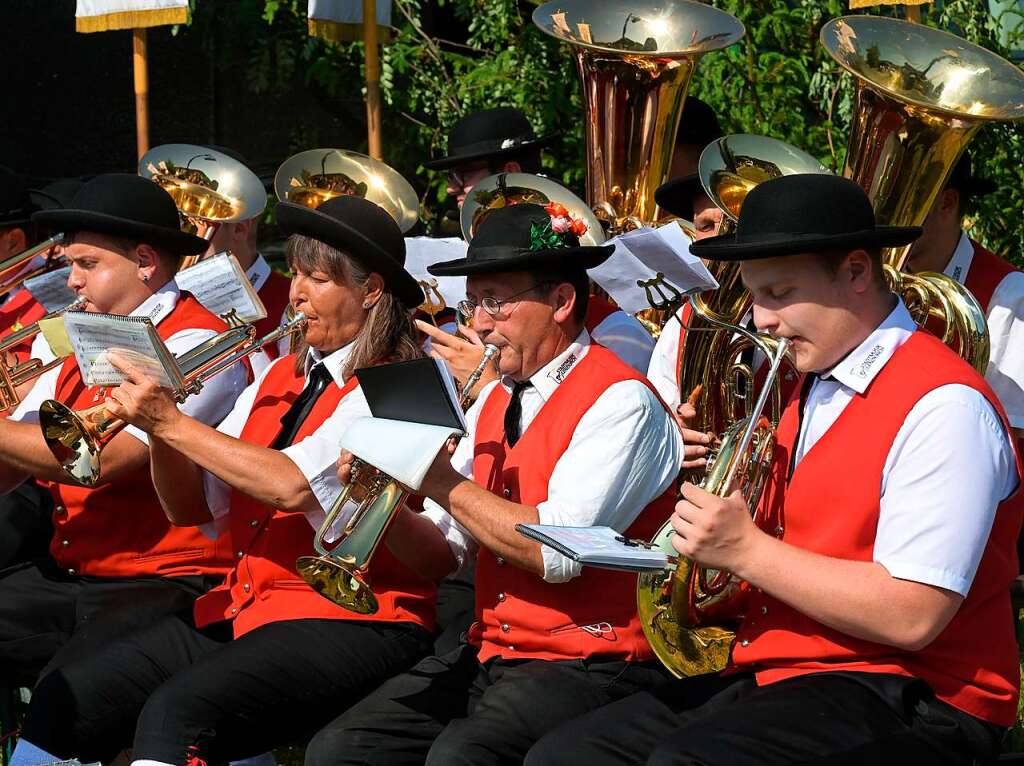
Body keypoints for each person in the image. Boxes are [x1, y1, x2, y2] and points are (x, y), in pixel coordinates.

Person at [525, 174, 1022, 766]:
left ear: (858, 273)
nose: (761, 320)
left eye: (780, 293)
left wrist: (745, 551)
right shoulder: (803, 385)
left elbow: (913, 613)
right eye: (755, 296)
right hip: (790, 668)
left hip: (918, 692)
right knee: (570, 754)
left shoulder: (945, 404)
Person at [10, 196, 439, 766]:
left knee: (174, 713)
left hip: (356, 617)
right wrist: (158, 428)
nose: (298, 293)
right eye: (297, 274)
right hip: (246, 604)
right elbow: (190, 508)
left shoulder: (401, 384)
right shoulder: (280, 376)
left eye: (318, 278)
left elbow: (292, 486)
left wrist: (171, 422)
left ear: (371, 291)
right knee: (72, 700)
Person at [305, 202, 683, 766]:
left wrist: (434, 478)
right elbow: (442, 556)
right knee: (344, 748)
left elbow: (558, 551)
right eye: (472, 302)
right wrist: (374, 496)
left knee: (463, 757)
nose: (478, 323)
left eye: (496, 302)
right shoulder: (496, 400)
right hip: (497, 648)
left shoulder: (620, 400)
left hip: (597, 659)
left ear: (560, 302)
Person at [0, 173, 248, 687]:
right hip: (77, 570)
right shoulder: (73, 330)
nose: (71, 282)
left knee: (65, 706)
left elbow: (102, 463)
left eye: (87, 265)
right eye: (71, 265)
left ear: (144, 261)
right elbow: (16, 460)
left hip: (165, 582)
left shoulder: (200, 340)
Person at [905, 151, 1024, 437]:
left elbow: (1011, 434)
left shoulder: (1011, 296)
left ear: (946, 203)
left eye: (903, 199)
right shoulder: (878, 280)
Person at [176, 146, 292, 375]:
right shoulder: (171, 300)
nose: (180, 237)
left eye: (195, 224)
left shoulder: (291, 302)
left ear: (240, 228)